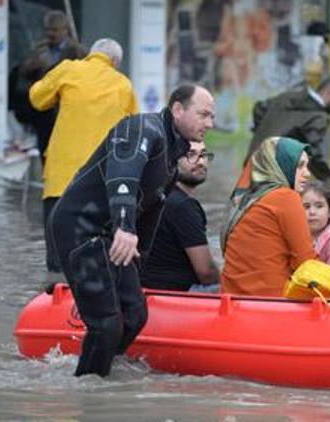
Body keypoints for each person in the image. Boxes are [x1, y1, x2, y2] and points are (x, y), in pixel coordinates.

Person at [47, 84, 215, 377]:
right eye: (203, 114)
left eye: (211, 117)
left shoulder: (173, 154)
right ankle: (89, 393)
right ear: (177, 110)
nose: (209, 124)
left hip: (112, 234)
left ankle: (98, 369)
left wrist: (140, 261)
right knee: (107, 323)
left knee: (136, 315)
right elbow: (123, 177)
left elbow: (153, 209)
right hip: (80, 228)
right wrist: (125, 227)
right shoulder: (141, 128)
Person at [29, 38, 138, 277]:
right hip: (99, 182)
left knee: (57, 260)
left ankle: (53, 300)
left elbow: (37, 98)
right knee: (94, 253)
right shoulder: (123, 85)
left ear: (91, 54)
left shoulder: (68, 68)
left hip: (61, 178)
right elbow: (132, 133)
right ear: (116, 62)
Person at [221, 137, 317, 296]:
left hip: (230, 298)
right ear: (280, 166)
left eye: (307, 166)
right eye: (299, 166)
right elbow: (306, 262)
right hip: (271, 300)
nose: (307, 174)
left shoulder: (245, 197)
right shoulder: (286, 197)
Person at [141, 141, 220, 292]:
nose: (201, 161)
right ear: (171, 160)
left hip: (145, 286)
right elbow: (206, 272)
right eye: (191, 155)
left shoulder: (155, 194)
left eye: (203, 154)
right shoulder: (183, 206)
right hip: (178, 293)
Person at [13, 10, 87, 161]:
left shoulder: (77, 51)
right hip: (44, 113)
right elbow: (22, 75)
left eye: (54, 29)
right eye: (47, 29)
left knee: (65, 154)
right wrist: (32, 64)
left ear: (65, 30)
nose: (49, 33)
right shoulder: (39, 48)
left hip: (66, 110)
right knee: (45, 153)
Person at [242, 77, 330, 182]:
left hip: (254, 160)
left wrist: (262, 132)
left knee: (249, 197)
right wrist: (328, 175)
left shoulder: (287, 96)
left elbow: (259, 108)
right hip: (276, 173)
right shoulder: (318, 117)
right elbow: (313, 151)